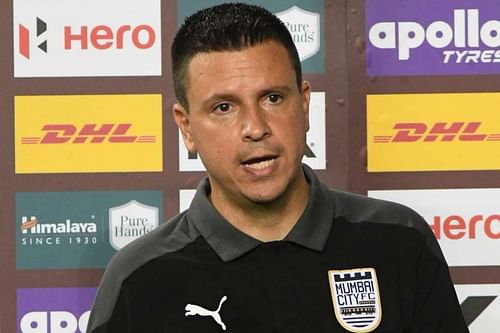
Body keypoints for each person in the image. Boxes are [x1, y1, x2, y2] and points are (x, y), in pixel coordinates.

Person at [87, 3, 469, 332]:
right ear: (186, 126)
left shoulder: (399, 241)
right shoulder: (139, 279)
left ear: (303, 106)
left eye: (272, 98)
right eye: (224, 107)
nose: (255, 127)